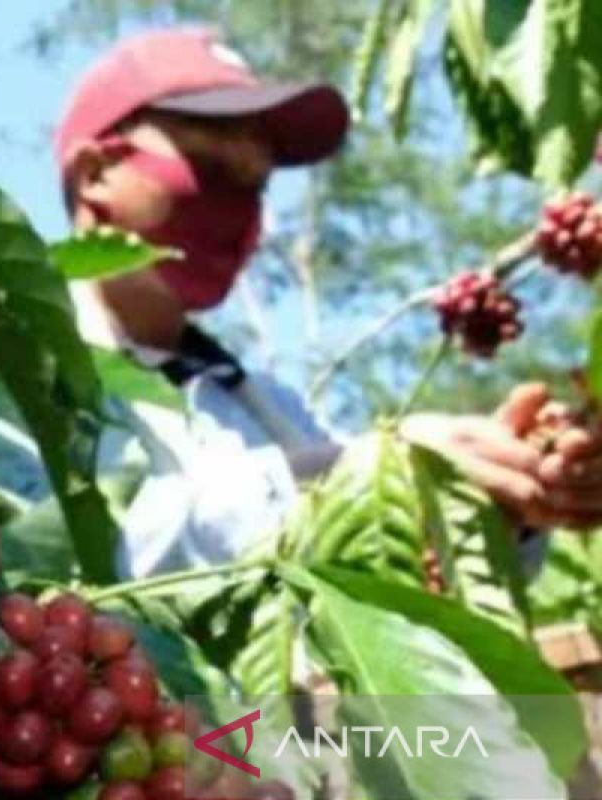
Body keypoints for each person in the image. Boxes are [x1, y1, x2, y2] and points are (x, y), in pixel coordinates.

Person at [52, 27, 602, 578]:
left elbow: (385, 571)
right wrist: (369, 470)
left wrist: (506, 493)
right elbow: (102, 561)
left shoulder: (267, 408)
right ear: (96, 174)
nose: (240, 212)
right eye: (214, 170)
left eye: (256, 187)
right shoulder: (15, 371)